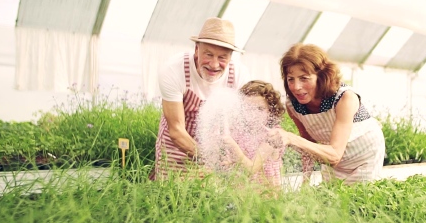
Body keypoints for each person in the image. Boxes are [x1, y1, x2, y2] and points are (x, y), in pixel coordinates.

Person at [269, 43, 385, 185]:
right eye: (290, 79)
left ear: (321, 76)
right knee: (333, 200)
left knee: (361, 200)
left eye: (304, 78)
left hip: (364, 157)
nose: (296, 87)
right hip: (332, 160)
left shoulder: (345, 98)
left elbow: (335, 155)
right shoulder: (293, 105)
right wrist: (304, 184)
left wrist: (290, 137)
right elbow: (308, 145)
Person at [152, 17, 249, 180]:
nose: (214, 64)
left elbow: (241, 125)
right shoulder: (174, 70)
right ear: (197, 49)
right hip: (176, 146)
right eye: (208, 54)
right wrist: (208, 159)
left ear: (231, 57)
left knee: (213, 199)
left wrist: (229, 157)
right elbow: (176, 130)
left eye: (222, 57)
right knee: (171, 196)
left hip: (215, 147)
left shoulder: (240, 76)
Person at [219, 80, 286, 189]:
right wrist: (229, 162)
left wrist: (233, 146)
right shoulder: (240, 132)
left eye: (260, 109)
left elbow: (251, 168)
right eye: (248, 109)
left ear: (271, 111)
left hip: (267, 194)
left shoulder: (272, 136)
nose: (253, 114)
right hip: (243, 193)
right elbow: (239, 161)